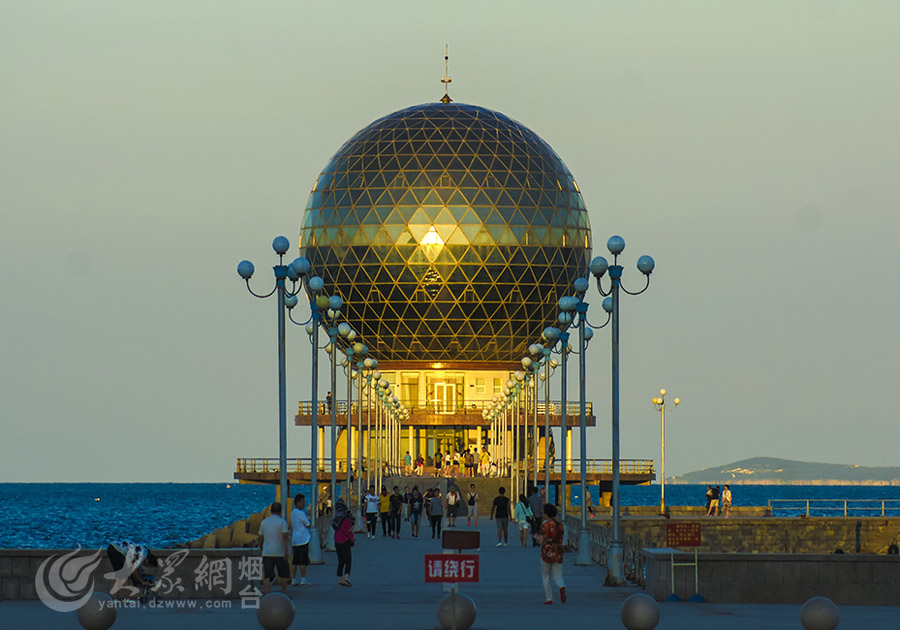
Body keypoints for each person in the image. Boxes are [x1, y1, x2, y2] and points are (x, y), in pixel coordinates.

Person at [259, 502, 290, 596]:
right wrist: (286, 550)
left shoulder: (264, 522)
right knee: (283, 574)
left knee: (267, 575)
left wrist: (261, 548)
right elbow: (284, 536)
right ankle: (284, 593)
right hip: (279, 551)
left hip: (267, 551)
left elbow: (261, 537)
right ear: (280, 511)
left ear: (271, 510)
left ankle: (267, 593)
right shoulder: (282, 522)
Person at [537, 503, 566, 605]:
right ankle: (561, 586)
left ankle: (549, 598)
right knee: (558, 575)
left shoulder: (545, 525)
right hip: (558, 551)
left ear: (546, 513)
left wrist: (538, 538)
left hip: (547, 552)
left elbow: (541, 541)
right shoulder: (560, 525)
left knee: (546, 576)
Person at [332, 498, 354, 587]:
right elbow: (347, 530)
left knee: (341, 561)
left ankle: (339, 579)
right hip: (344, 541)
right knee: (348, 560)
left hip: (337, 540)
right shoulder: (345, 518)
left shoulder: (336, 517)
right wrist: (354, 526)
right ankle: (346, 578)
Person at [290, 494, 311, 586]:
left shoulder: (293, 512)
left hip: (295, 539)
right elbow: (307, 524)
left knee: (295, 561)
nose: (304, 504)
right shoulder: (301, 513)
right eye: (303, 502)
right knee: (303, 561)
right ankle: (303, 579)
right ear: (298, 502)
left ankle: (294, 579)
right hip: (303, 539)